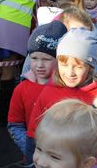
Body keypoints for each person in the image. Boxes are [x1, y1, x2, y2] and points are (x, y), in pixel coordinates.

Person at [27, 29, 97, 168]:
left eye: (78, 66)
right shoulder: (47, 94)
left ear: (91, 66)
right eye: (63, 64)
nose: (70, 72)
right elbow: (33, 136)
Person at [7, 21, 66, 160]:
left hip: (64, 158)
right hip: (32, 158)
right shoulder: (21, 89)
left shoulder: (67, 89)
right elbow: (15, 125)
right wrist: (32, 150)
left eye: (46, 59)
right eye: (34, 58)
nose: (39, 65)